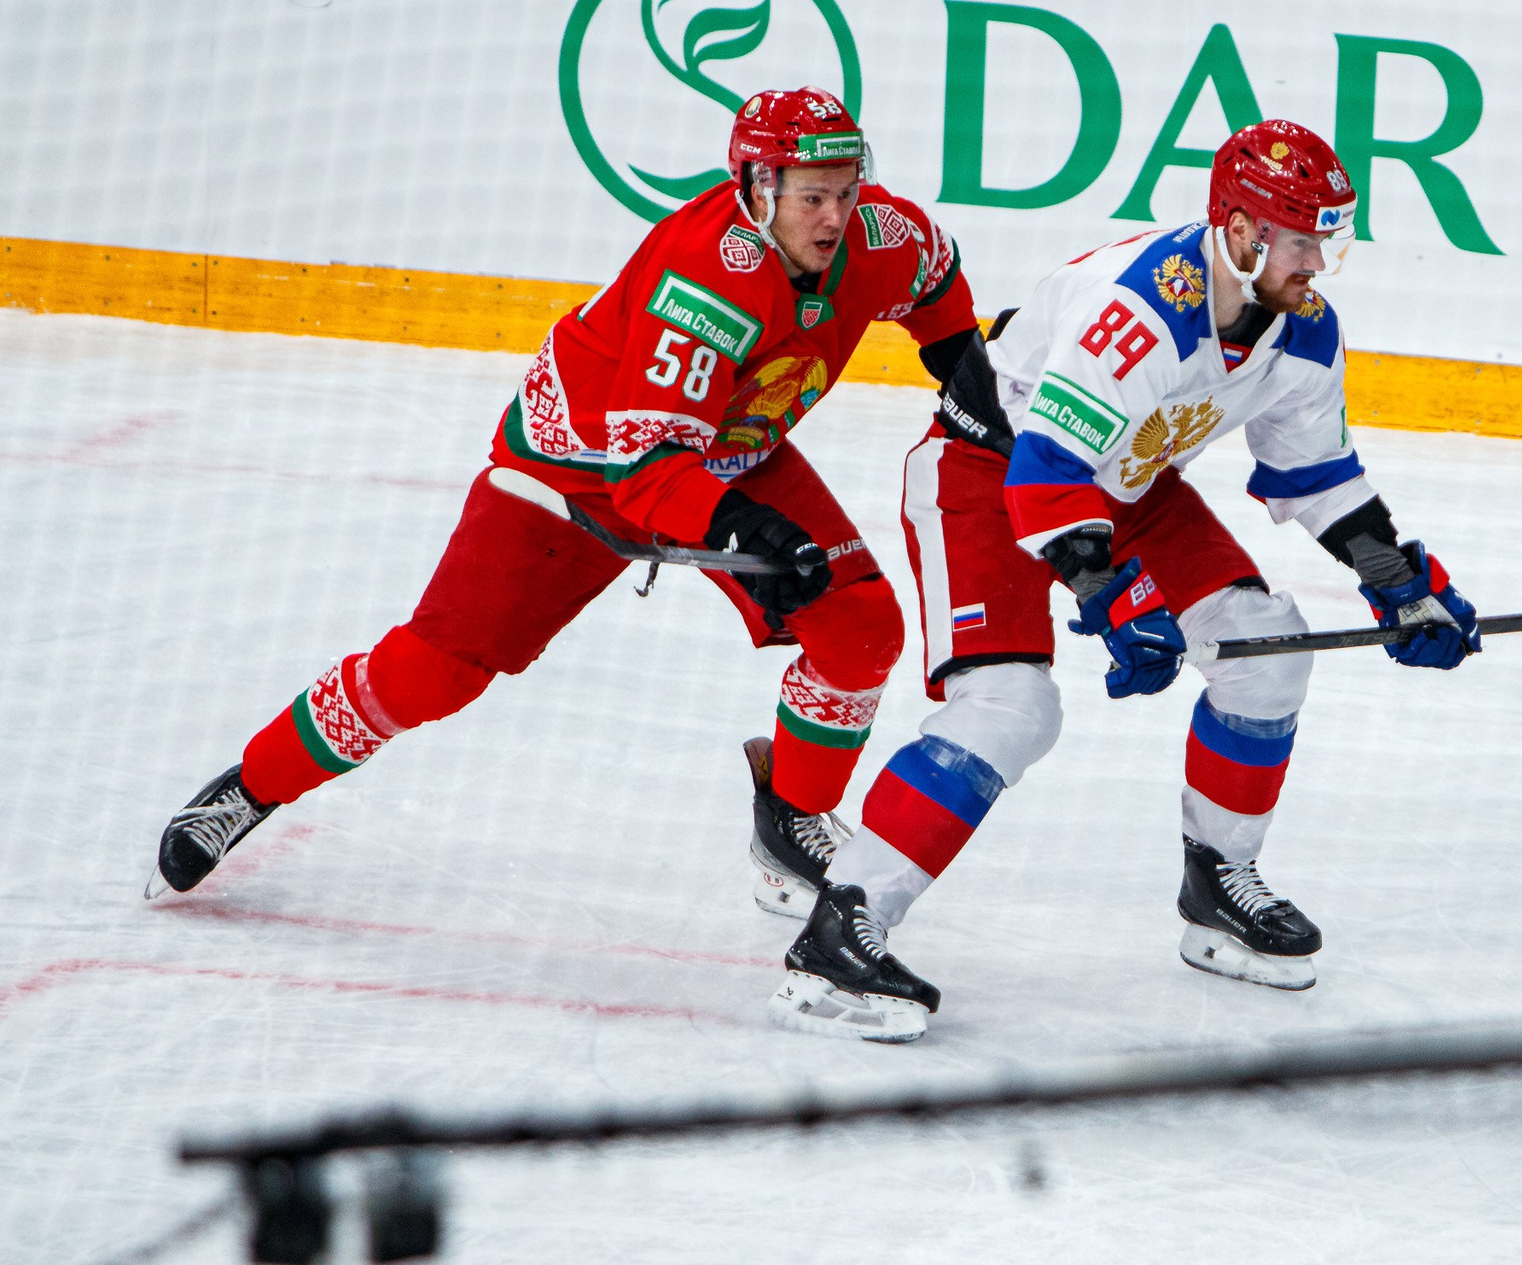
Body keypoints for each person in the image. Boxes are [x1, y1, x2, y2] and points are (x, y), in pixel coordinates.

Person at [148, 89, 1010, 908]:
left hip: (725, 448)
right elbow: (648, 474)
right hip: (576, 467)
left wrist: (975, 384)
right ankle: (247, 788)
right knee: (436, 669)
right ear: (757, 188)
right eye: (814, 196)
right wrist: (763, 535)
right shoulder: (705, 278)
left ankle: (789, 822)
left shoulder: (884, 232)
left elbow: (938, 295)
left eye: (846, 193)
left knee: (858, 626)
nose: (835, 217)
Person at [759, 120, 1482, 1045]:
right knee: (1011, 708)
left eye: (1326, 240)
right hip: (986, 473)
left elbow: (1317, 474)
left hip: (1122, 483)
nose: (1320, 263)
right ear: (1242, 230)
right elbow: (1047, 471)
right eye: (1304, 240)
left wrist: (1399, 582)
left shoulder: (1301, 328)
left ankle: (1217, 884)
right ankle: (839, 930)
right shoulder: (1140, 307)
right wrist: (1112, 595)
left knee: (1265, 656)